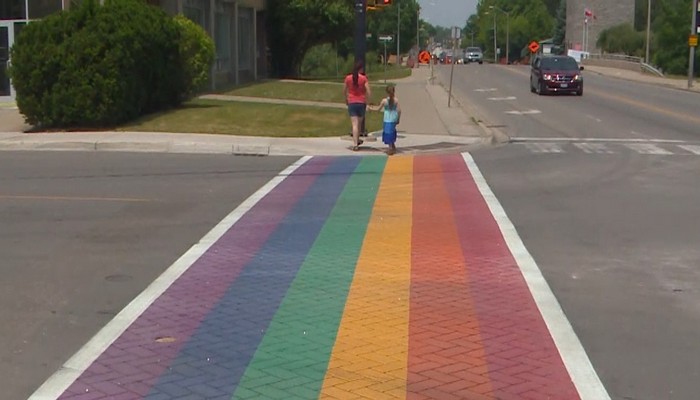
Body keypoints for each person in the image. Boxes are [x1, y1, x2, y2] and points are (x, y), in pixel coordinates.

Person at [343, 61, 371, 151]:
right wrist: (368, 102)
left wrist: (346, 99)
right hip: (361, 102)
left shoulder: (348, 78)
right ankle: (357, 140)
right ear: (361, 69)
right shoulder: (363, 79)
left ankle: (355, 143)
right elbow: (369, 91)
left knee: (354, 124)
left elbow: (344, 90)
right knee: (358, 124)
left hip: (352, 102)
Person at [375, 85, 401, 155]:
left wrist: (370, 108)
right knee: (392, 131)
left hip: (387, 118)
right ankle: (393, 145)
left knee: (388, 132)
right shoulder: (396, 100)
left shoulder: (384, 101)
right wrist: (398, 118)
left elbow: (378, 109)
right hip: (393, 117)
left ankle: (390, 148)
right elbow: (399, 110)